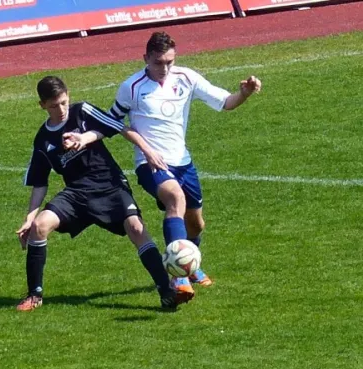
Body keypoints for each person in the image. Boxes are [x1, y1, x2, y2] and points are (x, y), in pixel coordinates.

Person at [106, 31, 262, 299]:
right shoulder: (131, 87)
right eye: (158, 63)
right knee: (175, 200)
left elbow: (225, 103)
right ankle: (177, 278)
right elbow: (111, 122)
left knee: (196, 225)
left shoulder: (186, 78)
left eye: (169, 62)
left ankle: (189, 265)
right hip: (150, 164)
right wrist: (141, 147)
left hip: (183, 162)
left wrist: (244, 94)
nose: (164, 68)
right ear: (146, 58)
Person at [16, 75, 187, 312]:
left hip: (110, 185)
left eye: (64, 102)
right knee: (40, 226)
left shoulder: (82, 112)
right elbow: (39, 183)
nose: (61, 109)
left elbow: (120, 127)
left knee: (137, 229)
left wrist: (148, 152)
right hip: (76, 193)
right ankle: (35, 295)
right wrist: (28, 218)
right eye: (54, 105)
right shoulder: (43, 140)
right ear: (42, 105)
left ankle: (166, 291)